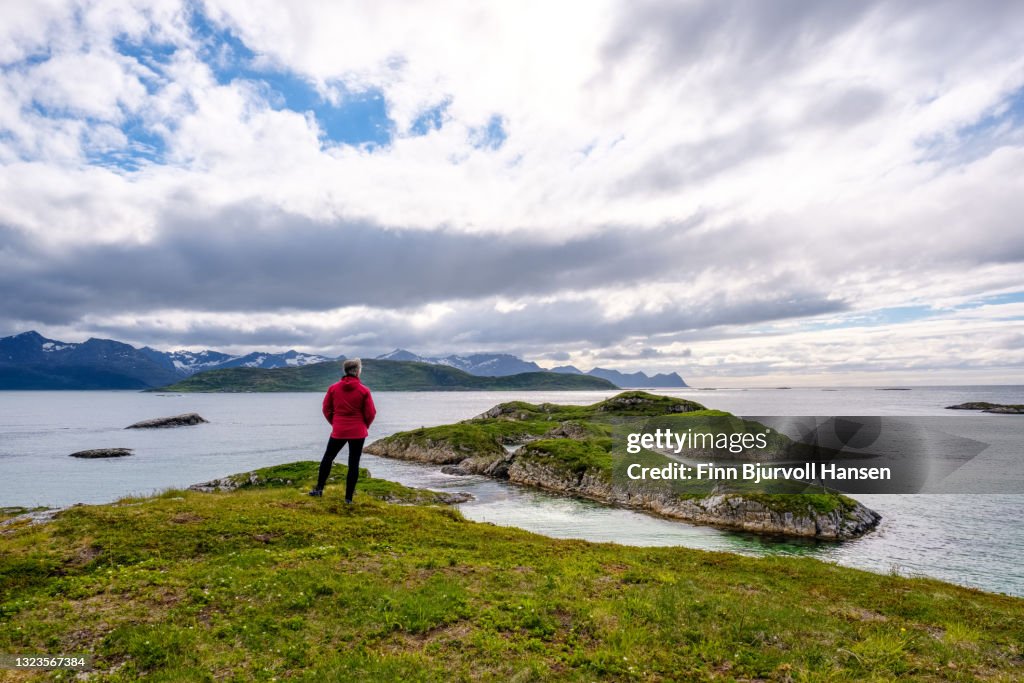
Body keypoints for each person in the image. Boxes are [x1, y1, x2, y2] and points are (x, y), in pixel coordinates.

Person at [309, 358, 376, 502]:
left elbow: (326, 409)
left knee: (328, 458)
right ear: (358, 371)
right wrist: (364, 426)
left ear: (345, 371)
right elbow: (371, 413)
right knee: (354, 464)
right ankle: (348, 499)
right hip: (358, 431)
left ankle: (319, 489)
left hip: (339, 429)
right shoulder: (364, 390)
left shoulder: (333, 388)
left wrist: (335, 423)